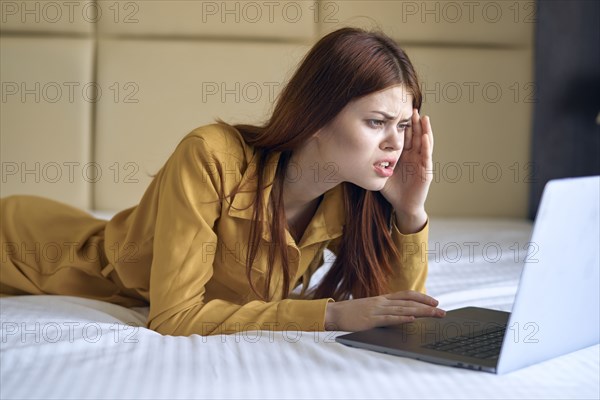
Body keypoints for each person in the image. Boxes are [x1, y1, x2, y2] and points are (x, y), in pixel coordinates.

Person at [0, 27, 446, 336]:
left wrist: (410, 212)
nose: (395, 142)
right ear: (316, 118)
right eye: (376, 122)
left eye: (404, 126)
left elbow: (394, 313)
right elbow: (174, 318)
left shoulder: (352, 196)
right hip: (25, 249)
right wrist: (328, 317)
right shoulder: (211, 155)